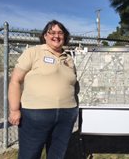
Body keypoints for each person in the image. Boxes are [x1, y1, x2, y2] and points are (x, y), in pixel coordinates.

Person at [8, 20, 79, 159]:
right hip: (35, 115)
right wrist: (14, 110)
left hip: (66, 115)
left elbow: (73, 86)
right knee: (29, 155)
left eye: (60, 33)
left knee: (57, 154)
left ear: (65, 36)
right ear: (45, 36)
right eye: (52, 32)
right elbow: (15, 81)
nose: (56, 36)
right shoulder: (33, 53)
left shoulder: (69, 59)